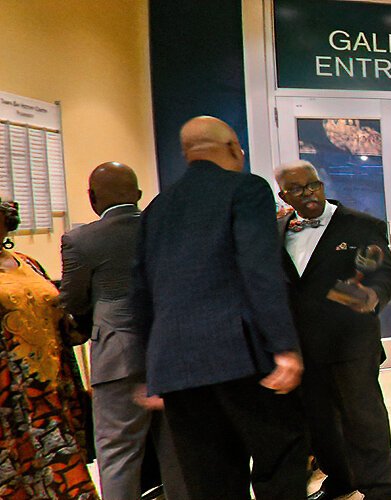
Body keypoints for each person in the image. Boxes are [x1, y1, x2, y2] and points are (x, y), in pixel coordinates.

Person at [131, 116, 308, 499]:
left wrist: (148, 370)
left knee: (209, 479)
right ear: (232, 148)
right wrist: (284, 346)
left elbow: (140, 290)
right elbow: (260, 268)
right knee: (280, 455)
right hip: (241, 355)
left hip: (175, 365)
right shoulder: (246, 188)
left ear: (186, 153)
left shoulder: (157, 208)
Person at [273, 161, 391, 500]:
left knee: (363, 419)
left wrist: (369, 296)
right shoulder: (277, 230)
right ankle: (341, 480)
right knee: (320, 424)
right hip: (302, 345)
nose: (309, 193)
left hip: (351, 342)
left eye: (313, 184)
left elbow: (385, 274)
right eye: (297, 189)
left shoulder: (359, 226)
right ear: (283, 194)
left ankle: (380, 489)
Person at [58, 163, 188, 500]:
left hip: (117, 357)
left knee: (118, 455)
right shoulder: (167, 229)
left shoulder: (81, 239)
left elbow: (72, 298)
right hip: (173, 354)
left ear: (91, 198)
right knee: (178, 456)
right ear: (139, 195)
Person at [0, 198, 98, 498]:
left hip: (52, 384)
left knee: (64, 466)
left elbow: (58, 309)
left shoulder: (28, 263)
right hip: (10, 391)